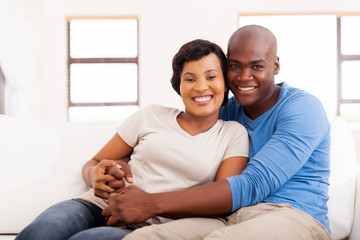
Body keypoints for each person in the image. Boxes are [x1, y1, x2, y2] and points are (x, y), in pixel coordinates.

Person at [103, 25, 332, 240]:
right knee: (144, 237)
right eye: (234, 66)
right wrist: (122, 168)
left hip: (294, 216)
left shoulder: (303, 109)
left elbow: (254, 184)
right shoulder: (225, 110)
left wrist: (152, 203)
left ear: (275, 66)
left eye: (257, 66)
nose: (243, 76)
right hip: (230, 217)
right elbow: (167, 142)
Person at [15, 39, 249, 240]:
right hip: (97, 205)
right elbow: (94, 162)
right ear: (179, 84)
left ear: (225, 83)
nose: (201, 86)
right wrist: (97, 176)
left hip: (146, 226)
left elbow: (222, 201)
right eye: (190, 79)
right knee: (40, 233)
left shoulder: (232, 134)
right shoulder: (151, 115)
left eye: (211, 76)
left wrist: (146, 205)